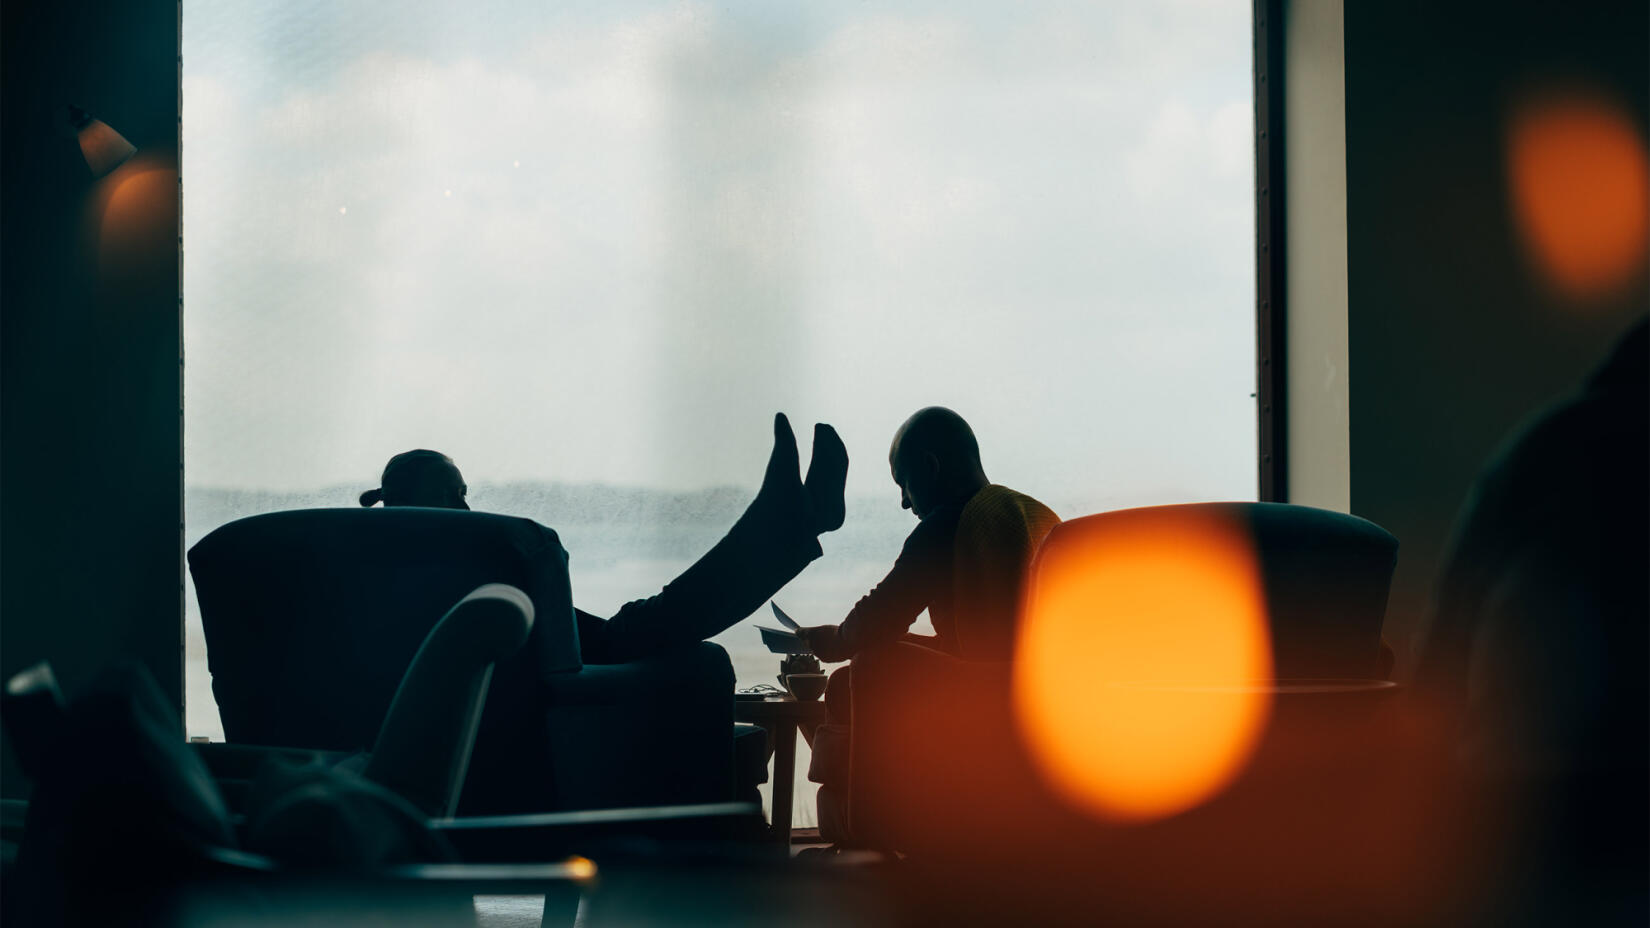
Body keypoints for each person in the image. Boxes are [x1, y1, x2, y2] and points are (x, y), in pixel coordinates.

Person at [359, 413, 848, 664]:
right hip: (584, 667)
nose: (466, 509)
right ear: (405, 506)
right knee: (658, 622)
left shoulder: (377, 570)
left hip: (577, 651)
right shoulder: (433, 571)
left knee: (652, 620)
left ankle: (794, 521)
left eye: (465, 494)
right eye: (450, 496)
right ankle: (793, 521)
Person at [797, 406, 1059, 664]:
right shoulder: (1031, 514)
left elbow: (886, 611)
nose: (904, 502)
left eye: (904, 485)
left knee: (872, 664)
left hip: (999, 689)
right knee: (843, 683)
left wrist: (838, 640)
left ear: (929, 467)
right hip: (1049, 681)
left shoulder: (950, 523)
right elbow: (961, 646)